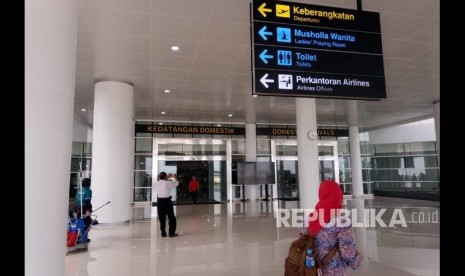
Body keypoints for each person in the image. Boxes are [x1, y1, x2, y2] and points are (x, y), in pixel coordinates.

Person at [309, 179, 362, 276]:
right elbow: (348, 253)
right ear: (338, 196)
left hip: (312, 270)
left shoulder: (309, 219)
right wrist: (358, 260)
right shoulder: (342, 223)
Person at [156, 172, 179, 237]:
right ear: (165, 177)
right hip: (167, 202)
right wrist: (176, 178)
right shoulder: (168, 183)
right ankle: (171, 233)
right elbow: (176, 183)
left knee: (162, 218)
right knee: (171, 218)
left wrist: (167, 177)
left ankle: (163, 233)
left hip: (159, 202)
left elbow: (162, 180)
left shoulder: (157, 183)